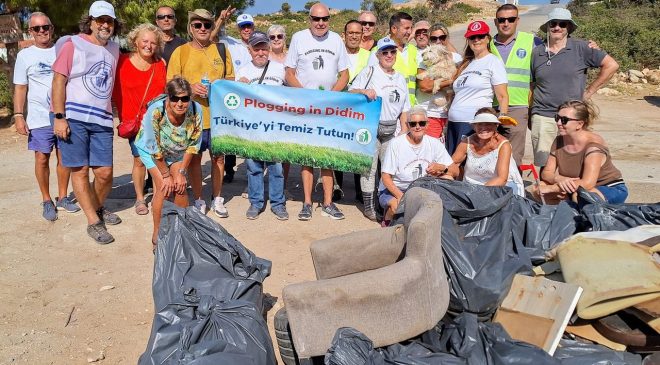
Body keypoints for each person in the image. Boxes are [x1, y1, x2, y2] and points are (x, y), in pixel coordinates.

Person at [51, 0, 122, 244]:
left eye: (109, 21)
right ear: (90, 21)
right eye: (100, 20)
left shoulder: (114, 49)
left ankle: (97, 207)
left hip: (102, 118)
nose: (105, 24)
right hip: (74, 117)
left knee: (104, 173)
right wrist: (59, 117)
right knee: (79, 170)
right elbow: (59, 80)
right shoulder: (73, 44)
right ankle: (93, 221)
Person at [167, 9, 235, 217]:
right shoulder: (181, 52)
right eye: (198, 25)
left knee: (219, 159)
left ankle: (217, 198)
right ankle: (198, 199)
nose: (203, 29)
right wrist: (190, 87)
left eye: (207, 25)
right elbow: (169, 83)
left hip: (218, 118)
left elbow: (231, 81)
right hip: (191, 118)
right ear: (190, 28)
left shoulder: (221, 50)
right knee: (195, 160)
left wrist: (218, 87)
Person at [285, 2, 350, 220]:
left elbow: (344, 74)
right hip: (305, 108)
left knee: (327, 157)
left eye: (324, 19)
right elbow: (289, 73)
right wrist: (306, 97)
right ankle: (307, 203)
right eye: (316, 19)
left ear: (329, 20)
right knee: (307, 157)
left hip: (328, 109)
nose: (320, 23)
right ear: (309, 19)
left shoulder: (336, 40)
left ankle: (329, 203)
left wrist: (332, 96)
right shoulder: (298, 38)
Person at [13, 12, 80, 221]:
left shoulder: (63, 50)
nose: (42, 31)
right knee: (42, 158)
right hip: (39, 117)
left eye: (45, 27)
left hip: (63, 114)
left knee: (64, 158)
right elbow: (21, 87)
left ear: (52, 28)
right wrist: (18, 115)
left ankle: (62, 197)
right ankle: (46, 199)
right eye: (36, 28)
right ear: (30, 31)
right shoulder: (25, 56)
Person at [531, 8, 618, 169]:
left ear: (569, 27)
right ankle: (546, 192)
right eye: (553, 23)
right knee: (545, 164)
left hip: (573, 117)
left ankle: (570, 192)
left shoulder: (582, 48)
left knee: (572, 161)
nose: (557, 27)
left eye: (562, 24)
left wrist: (590, 91)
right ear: (548, 26)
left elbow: (611, 65)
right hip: (543, 115)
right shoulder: (537, 52)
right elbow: (532, 83)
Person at [134, 77, 202, 249]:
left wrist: (180, 173)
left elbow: (194, 145)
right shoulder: (156, 111)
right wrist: (166, 175)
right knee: (164, 187)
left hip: (178, 149)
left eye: (185, 98)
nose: (180, 103)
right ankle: (157, 234)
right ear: (168, 97)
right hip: (152, 150)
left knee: (180, 187)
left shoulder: (196, 110)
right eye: (175, 98)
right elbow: (153, 146)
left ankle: (182, 231)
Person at [350, 37, 411, 221]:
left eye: (392, 52)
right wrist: (363, 91)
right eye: (385, 52)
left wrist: (403, 129)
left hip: (392, 128)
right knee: (368, 168)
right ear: (378, 55)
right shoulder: (370, 71)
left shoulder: (400, 78)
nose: (389, 55)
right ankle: (368, 207)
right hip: (372, 127)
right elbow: (351, 91)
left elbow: (405, 107)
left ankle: (383, 204)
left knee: (388, 169)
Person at [113, 23, 167, 215]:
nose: (148, 45)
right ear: (135, 41)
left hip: (157, 123)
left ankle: (160, 196)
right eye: (145, 41)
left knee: (159, 159)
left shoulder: (161, 64)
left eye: (153, 42)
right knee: (139, 160)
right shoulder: (121, 61)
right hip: (134, 123)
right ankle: (139, 199)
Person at [236, 32, 289, 220]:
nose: (261, 52)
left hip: (275, 128)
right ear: (249, 50)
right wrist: (238, 86)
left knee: (276, 168)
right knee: (254, 167)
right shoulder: (242, 72)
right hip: (252, 128)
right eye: (256, 48)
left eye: (264, 48)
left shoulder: (280, 69)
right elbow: (235, 101)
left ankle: (278, 203)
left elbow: (293, 94)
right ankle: (256, 202)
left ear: (269, 49)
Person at [538, 100, 627, 204]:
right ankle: (560, 215)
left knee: (581, 197)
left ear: (579, 124)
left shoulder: (593, 146)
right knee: (538, 188)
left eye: (564, 120)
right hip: (575, 186)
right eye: (557, 118)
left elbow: (588, 183)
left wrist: (553, 188)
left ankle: (574, 215)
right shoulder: (559, 140)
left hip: (608, 187)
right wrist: (559, 179)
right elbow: (546, 173)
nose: (558, 123)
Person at [379, 107, 453, 226]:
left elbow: (455, 170)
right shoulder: (396, 143)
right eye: (413, 124)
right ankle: (386, 222)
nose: (417, 127)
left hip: (422, 187)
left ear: (427, 125)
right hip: (397, 188)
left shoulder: (434, 143)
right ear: (407, 125)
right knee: (396, 206)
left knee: (449, 178)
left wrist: (443, 168)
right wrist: (402, 197)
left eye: (421, 123)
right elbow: (386, 177)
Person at [490, 4, 543, 167]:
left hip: (517, 107)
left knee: (513, 154)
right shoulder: (487, 44)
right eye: (502, 20)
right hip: (491, 105)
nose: (506, 23)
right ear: (496, 22)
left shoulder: (532, 41)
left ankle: (512, 188)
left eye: (511, 19)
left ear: (517, 21)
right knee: (489, 150)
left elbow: (555, 51)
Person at [446, 21, 508, 155]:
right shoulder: (466, 63)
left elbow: (502, 95)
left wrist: (501, 118)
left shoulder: (493, 61)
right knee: (453, 166)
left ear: (487, 38)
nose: (476, 40)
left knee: (468, 166)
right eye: (472, 37)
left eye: (480, 36)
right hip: (453, 123)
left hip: (473, 125)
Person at [450, 108, 524, 196]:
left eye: (488, 124)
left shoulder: (504, 145)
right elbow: (452, 164)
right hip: (472, 187)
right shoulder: (466, 142)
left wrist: (477, 193)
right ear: (474, 126)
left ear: (496, 126)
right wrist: (445, 172)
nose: (483, 128)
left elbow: (501, 179)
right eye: (480, 124)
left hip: (501, 187)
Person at [416, 23, 463, 140]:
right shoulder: (423, 58)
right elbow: (425, 87)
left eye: (442, 37)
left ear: (447, 38)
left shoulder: (457, 58)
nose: (438, 41)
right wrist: (450, 81)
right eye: (434, 38)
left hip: (452, 114)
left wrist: (439, 83)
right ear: (429, 40)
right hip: (430, 113)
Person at [369, 12, 421, 106]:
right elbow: (369, 81)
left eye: (411, 28)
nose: (410, 32)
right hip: (387, 111)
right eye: (406, 28)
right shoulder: (377, 51)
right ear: (394, 29)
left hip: (409, 110)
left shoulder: (414, 50)